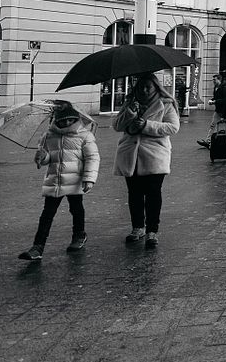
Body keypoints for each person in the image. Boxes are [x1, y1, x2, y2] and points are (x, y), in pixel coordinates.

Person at [18, 101, 100, 261]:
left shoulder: (84, 135)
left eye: (70, 119)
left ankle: (79, 235)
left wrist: (89, 179)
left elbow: (92, 158)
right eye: (63, 120)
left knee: (76, 209)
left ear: (75, 119)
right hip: (55, 180)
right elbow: (48, 158)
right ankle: (38, 247)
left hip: (75, 179)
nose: (67, 122)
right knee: (47, 214)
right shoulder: (48, 135)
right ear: (57, 120)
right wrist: (42, 157)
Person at [113, 72, 179, 250]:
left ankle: (152, 231)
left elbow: (173, 127)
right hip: (130, 154)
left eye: (148, 87)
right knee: (134, 193)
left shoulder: (165, 104)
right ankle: (137, 227)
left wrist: (146, 125)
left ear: (156, 87)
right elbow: (117, 126)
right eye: (141, 86)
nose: (144, 90)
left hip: (154, 155)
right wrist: (129, 113)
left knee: (153, 194)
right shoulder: (130, 102)